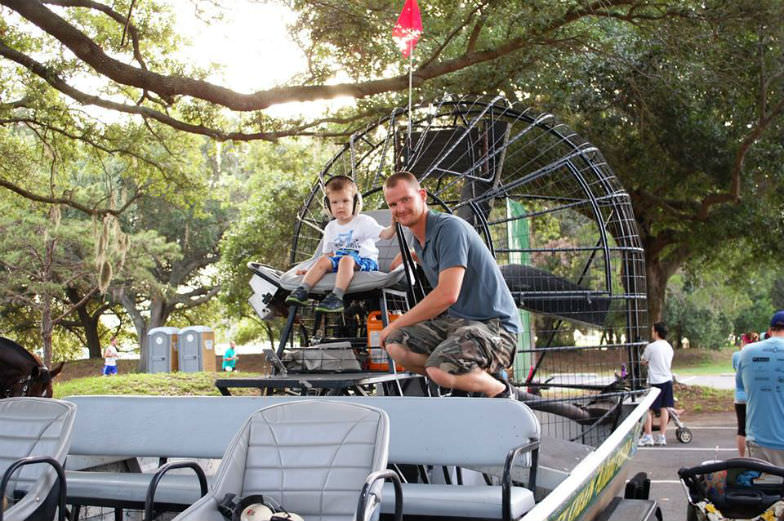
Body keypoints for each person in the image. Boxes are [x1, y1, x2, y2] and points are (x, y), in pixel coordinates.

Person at [379, 171, 521, 398]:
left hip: (496, 328)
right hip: (458, 325)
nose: (400, 208)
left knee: (437, 367)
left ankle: (500, 390)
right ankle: (461, 380)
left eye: (406, 199)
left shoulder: (449, 228)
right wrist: (415, 255)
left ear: (422, 195)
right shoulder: (419, 238)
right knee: (396, 345)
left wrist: (393, 324)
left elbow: (447, 295)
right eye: (393, 204)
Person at [286, 175, 396, 312]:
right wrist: (311, 271)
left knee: (346, 259)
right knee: (323, 260)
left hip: (365, 262)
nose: (340, 206)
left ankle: (336, 296)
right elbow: (328, 255)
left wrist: (393, 226)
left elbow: (386, 235)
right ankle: (303, 290)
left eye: (345, 201)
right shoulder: (330, 227)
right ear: (327, 206)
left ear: (356, 203)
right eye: (335, 202)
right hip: (342, 261)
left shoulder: (363, 221)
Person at [735, 310, 784, 466]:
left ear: (769, 331)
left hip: (759, 440)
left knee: (764, 488)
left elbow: (741, 389)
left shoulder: (747, 352)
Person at [638, 322, 674, 447]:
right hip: (667, 380)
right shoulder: (669, 347)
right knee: (664, 408)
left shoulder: (651, 347)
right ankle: (662, 436)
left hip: (655, 381)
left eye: (652, 330)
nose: (651, 332)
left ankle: (648, 436)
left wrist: (648, 362)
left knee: (648, 409)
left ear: (656, 332)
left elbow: (643, 361)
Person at [732, 332, 756, 456]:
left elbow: (735, 369)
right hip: (754, 396)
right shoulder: (757, 354)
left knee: (742, 429)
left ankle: (742, 457)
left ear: (743, 341)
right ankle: (755, 456)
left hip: (740, 396)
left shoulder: (737, 355)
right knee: (755, 428)